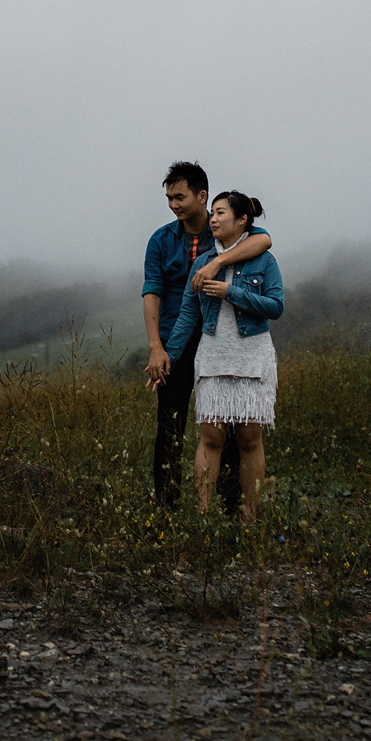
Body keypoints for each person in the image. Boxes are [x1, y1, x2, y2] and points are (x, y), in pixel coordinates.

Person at [141, 162, 271, 510]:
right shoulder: (161, 240)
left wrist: (214, 262)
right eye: (169, 198)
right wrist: (157, 348)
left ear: (202, 196)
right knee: (169, 427)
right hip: (176, 342)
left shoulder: (223, 237)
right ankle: (166, 508)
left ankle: (230, 505)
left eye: (180, 197)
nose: (174, 204)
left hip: (220, 341)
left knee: (225, 429)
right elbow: (151, 292)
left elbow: (263, 239)